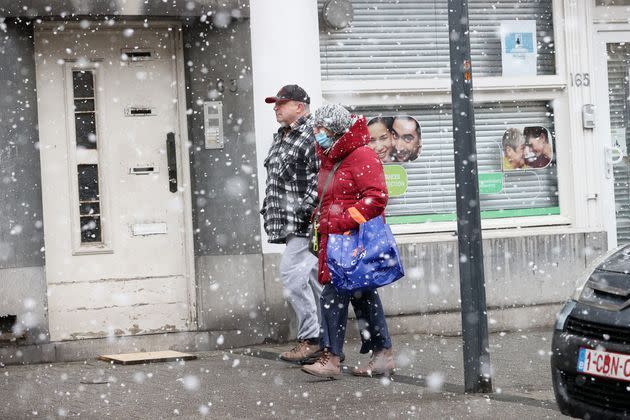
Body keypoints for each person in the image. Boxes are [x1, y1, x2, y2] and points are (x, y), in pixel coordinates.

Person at [301, 104, 395, 379]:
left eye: (322, 128)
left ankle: (331, 358)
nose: (317, 133)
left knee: (332, 296)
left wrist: (341, 221)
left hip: (350, 242)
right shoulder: (332, 156)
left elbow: (376, 198)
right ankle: (382, 355)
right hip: (336, 241)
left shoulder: (360, 155)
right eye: (316, 128)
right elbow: (333, 196)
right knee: (363, 295)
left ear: (337, 129)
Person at [261, 84, 322, 364]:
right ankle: (324, 338)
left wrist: (303, 212)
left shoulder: (310, 134)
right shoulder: (282, 137)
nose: (276, 107)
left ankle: (311, 339)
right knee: (310, 279)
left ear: (299, 106)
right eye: (275, 103)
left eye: (281, 103)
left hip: (303, 224)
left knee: (291, 276)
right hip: (289, 223)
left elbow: (319, 179)